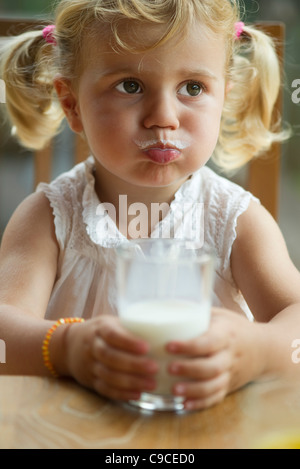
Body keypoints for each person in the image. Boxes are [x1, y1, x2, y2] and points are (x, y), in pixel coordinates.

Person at [0, 0, 299, 412]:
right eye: (130, 85)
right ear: (72, 106)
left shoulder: (235, 221)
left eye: (193, 88)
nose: (163, 118)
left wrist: (257, 351)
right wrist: (66, 349)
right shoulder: (49, 218)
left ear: (222, 99)